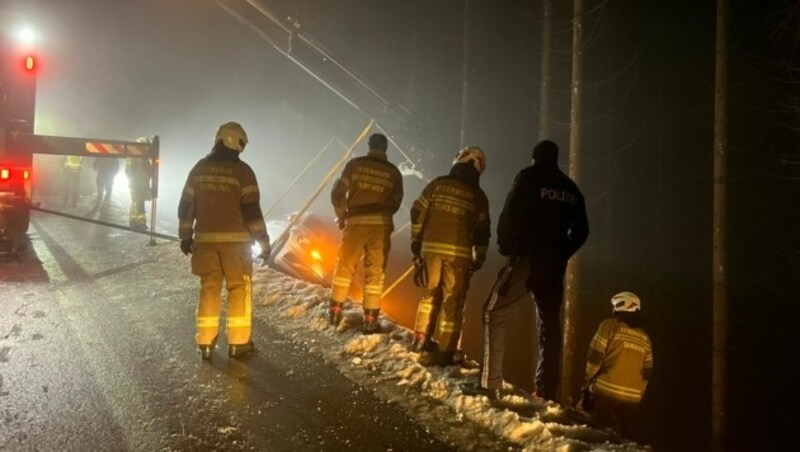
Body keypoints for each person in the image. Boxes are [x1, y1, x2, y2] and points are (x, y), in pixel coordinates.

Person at [464, 139, 589, 402]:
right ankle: (546, 391)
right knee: (549, 327)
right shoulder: (570, 188)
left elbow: (511, 213)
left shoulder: (528, 177)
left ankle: (489, 383)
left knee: (493, 310)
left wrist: (508, 248)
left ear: (535, 158)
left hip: (527, 259)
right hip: (554, 267)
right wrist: (562, 252)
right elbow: (582, 230)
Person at [178, 122, 271, 360]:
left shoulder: (199, 169)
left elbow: (186, 206)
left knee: (209, 289)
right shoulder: (243, 172)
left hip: (205, 243)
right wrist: (263, 241)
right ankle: (238, 344)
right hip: (237, 247)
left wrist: (186, 237)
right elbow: (252, 210)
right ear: (235, 143)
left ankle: (206, 343)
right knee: (238, 290)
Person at [409, 146, 490, 367]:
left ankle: (419, 340)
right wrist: (479, 258)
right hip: (459, 256)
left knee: (428, 295)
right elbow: (483, 232)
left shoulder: (437, 184)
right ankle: (445, 352)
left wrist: (416, 242)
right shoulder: (479, 197)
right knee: (452, 302)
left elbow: (417, 212)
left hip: (430, 250)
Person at [328, 132, 403, 334]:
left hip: (355, 223)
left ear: (369, 146)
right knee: (375, 273)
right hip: (380, 226)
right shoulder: (394, 173)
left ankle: (335, 312)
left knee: (344, 267)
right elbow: (396, 202)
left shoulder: (355, 165)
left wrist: (342, 215)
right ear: (385, 149)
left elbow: (337, 194)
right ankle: (370, 320)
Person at [580, 291, 653, 441]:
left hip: (607, 390)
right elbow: (647, 371)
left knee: (595, 430)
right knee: (627, 435)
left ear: (621, 305)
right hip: (633, 396)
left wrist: (589, 378)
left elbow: (595, 355)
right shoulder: (645, 338)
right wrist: (640, 391)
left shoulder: (609, 325)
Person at [126, 138, 153, 231]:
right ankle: (141, 223)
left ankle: (133, 222)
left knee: (136, 202)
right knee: (139, 203)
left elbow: (148, 171)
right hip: (135, 184)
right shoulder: (133, 156)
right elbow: (128, 170)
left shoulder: (144, 158)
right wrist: (136, 181)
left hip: (141, 184)